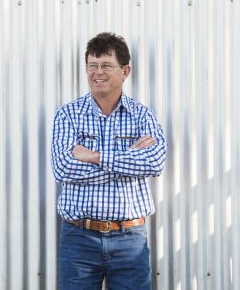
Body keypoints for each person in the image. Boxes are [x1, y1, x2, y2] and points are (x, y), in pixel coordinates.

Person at [51, 32, 167, 289]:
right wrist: (128, 161)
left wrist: (94, 157)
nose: (97, 72)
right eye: (92, 65)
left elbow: (155, 163)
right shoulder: (68, 115)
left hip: (130, 239)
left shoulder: (142, 116)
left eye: (106, 65)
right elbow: (62, 168)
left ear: (125, 71)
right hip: (79, 238)